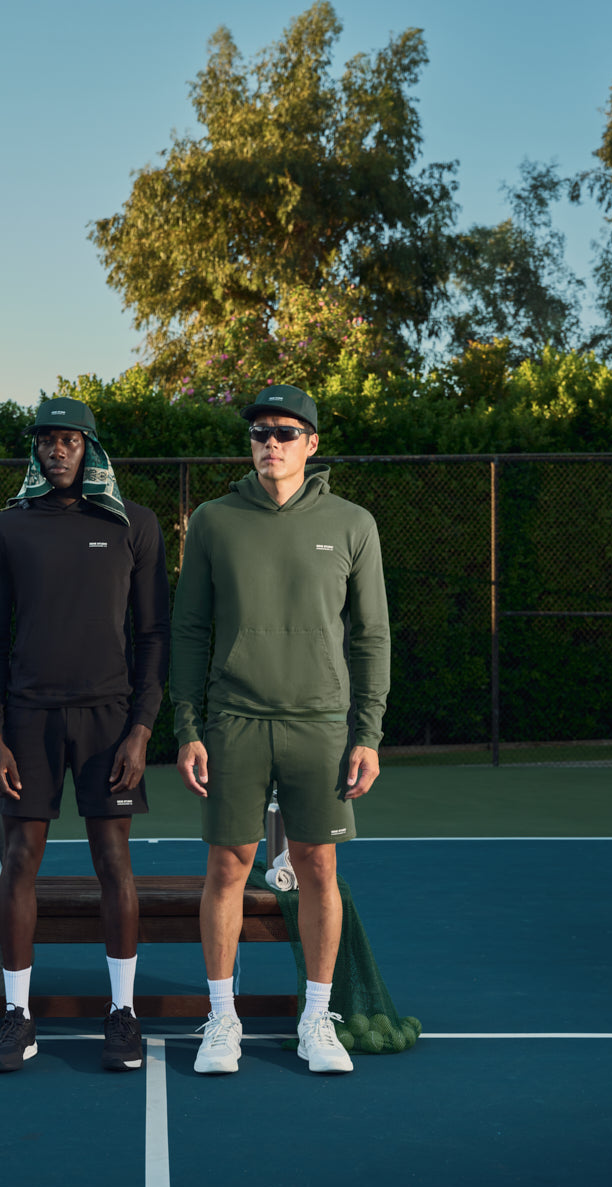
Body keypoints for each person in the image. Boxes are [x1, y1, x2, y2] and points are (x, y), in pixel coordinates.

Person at [171, 384, 390, 1075]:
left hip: (322, 726)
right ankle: (222, 1019)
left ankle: (315, 1019)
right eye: (261, 433)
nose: (271, 443)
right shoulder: (211, 520)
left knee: (318, 866)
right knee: (227, 867)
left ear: (312, 444)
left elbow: (371, 637)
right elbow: (190, 630)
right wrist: (187, 726)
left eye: (286, 433)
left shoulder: (354, 523)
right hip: (233, 722)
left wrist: (368, 733)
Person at [0, 396, 169, 1073]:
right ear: (35, 450)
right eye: (47, 441)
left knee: (113, 862)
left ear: (91, 449)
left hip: (109, 721)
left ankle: (123, 1014)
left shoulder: (132, 526)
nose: (57, 451)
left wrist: (142, 728)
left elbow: (152, 637)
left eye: (70, 441)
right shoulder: (7, 529)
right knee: (20, 861)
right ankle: (16, 1017)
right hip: (27, 720)